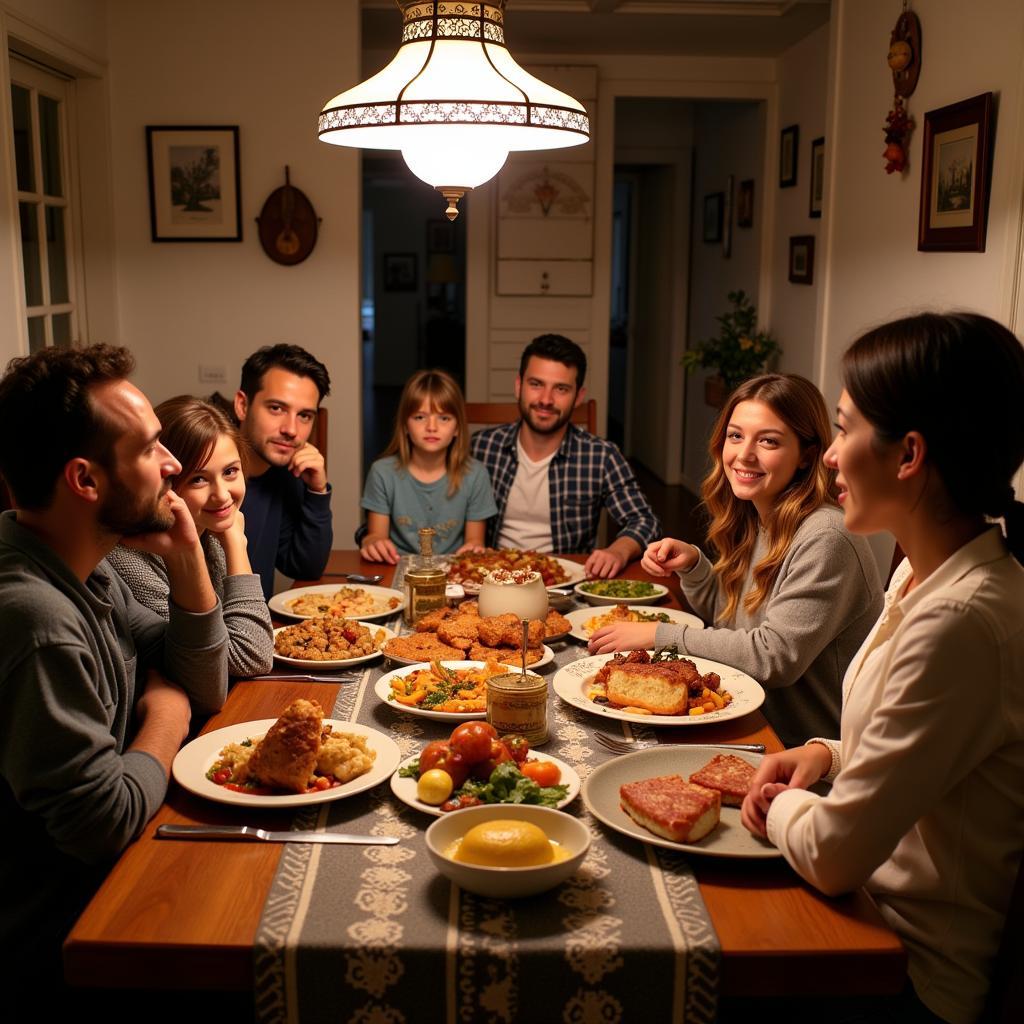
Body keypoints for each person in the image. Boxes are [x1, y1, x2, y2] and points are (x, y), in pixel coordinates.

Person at [741, 313, 1024, 1024]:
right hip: (863, 913)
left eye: (843, 428)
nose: (830, 456)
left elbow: (835, 855)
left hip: (904, 967)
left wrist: (776, 805)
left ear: (909, 456)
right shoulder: (921, 577)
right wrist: (824, 753)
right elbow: (933, 763)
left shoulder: (962, 621)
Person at [0, 345, 228, 994]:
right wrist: (166, 715)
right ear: (86, 481)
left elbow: (204, 679)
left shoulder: (84, 563)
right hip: (68, 940)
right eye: (152, 449)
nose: (174, 465)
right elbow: (104, 821)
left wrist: (187, 558)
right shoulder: (34, 617)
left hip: (121, 881)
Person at [589, 373, 883, 747]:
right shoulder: (755, 516)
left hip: (796, 747)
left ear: (807, 455)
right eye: (735, 435)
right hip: (738, 716)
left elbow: (772, 656)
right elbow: (727, 620)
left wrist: (658, 635)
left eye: (769, 441)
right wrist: (694, 566)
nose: (744, 454)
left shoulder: (826, 536)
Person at [107, 396, 274, 677]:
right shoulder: (130, 559)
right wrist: (237, 544)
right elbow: (248, 657)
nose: (222, 494)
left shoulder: (207, 533)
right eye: (199, 478)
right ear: (164, 479)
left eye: (230, 472)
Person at [470, 334, 659, 577]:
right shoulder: (482, 447)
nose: (546, 400)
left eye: (561, 388)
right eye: (536, 384)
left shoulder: (600, 456)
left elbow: (645, 521)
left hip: (565, 582)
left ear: (578, 396)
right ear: (519, 386)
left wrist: (617, 551)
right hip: (492, 578)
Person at [359, 369, 497, 563]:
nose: (431, 427)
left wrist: (474, 548)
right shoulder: (382, 472)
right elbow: (376, 536)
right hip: (395, 567)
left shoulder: (475, 475)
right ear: (405, 425)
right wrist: (373, 542)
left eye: (444, 418)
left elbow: (474, 540)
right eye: (420, 417)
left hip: (453, 572)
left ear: (457, 428)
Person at [234, 343, 333, 598]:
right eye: (276, 408)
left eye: (304, 416)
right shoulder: (204, 480)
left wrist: (317, 491)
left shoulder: (283, 475)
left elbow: (304, 567)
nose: (291, 429)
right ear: (242, 406)